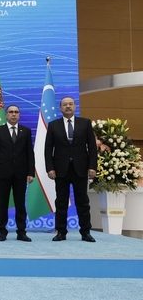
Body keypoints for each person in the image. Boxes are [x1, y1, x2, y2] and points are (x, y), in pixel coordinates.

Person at [45, 96, 98, 242]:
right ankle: (61, 231)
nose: (68, 106)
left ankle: (85, 232)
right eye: (64, 105)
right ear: (60, 108)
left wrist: (92, 166)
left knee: (83, 202)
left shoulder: (85, 123)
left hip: (80, 168)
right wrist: (50, 168)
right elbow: (48, 149)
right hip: (60, 169)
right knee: (61, 202)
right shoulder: (53, 125)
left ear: (75, 106)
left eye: (70, 104)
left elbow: (92, 148)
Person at [0, 105, 35, 242]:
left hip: (21, 173)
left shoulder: (25, 131)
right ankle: (2, 231)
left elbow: (29, 153)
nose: (13, 115)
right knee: (2, 203)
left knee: (20, 203)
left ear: (19, 115)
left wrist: (30, 172)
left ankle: (21, 232)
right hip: (2, 174)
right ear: (6, 115)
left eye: (16, 112)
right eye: (11, 112)